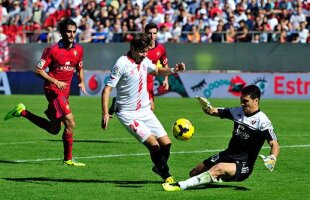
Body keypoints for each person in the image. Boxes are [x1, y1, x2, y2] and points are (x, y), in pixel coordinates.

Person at [101, 33, 185, 183]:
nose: (144, 54)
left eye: (146, 51)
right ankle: (167, 176)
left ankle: (159, 166)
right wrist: (105, 112)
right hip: (128, 113)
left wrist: (174, 70)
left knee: (166, 143)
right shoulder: (122, 63)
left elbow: (157, 71)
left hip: (145, 110)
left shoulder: (145, 60)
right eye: (141, 51)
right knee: (154, 144)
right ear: (132, 48)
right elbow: (107, 89)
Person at [162, 85, 280, 191]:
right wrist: (206, 107)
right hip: (227, 155)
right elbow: (213, 111)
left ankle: (180, 186)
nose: (242, 104)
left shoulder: (263, 121)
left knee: (219, 167)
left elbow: (274, 143)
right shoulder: (237, 111)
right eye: (241, 101)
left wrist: (272, 157)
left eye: (245, 101)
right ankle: (215, 177)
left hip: (243, 164)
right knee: (194, 172)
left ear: (256, 101)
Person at [4, 18, 87, 167]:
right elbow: (38, 70)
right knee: (70, 122)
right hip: (53, 90)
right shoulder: (52, 50)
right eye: (69, 31)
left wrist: (82, 81)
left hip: (64, 93)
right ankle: (68, 159)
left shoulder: (79, 50)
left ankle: (23, 112)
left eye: (74, 31)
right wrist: (55, 81)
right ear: (62, 32)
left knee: (54, 129)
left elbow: (80, 67)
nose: (72, 34)